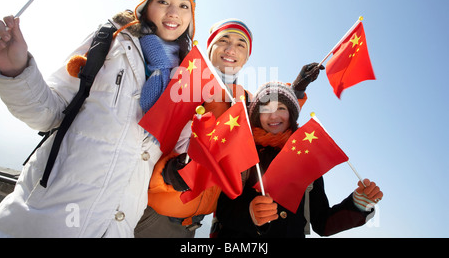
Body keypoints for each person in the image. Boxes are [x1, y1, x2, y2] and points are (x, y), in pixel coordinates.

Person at [0, 0, 196, 238]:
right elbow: (49, 113)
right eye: (163, 0)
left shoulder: (187, 81)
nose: (174, 12)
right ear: (146, 5)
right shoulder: (112, 41)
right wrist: (17, 71)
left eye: (184, 5)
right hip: (44, 221)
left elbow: (180, 153)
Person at [134, 19, 323, 237]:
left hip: (192, 224)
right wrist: (167, 173)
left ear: (247, 57)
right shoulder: (185, 80)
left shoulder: (243, 99)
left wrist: (297, 91)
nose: (231, 49)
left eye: (241, 44)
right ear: (210, 46)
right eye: (223, 40)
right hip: (156, 216)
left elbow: (273, 118)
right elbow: (150, 131)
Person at [215, 81, 383, 238]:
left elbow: (323, 223)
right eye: (266, 109)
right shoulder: (244, 151)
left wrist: (357, 205)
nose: (273, 116)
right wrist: (249, 214)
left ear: (292, 115)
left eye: (281, 108)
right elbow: (223, 209)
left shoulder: (307, 161)